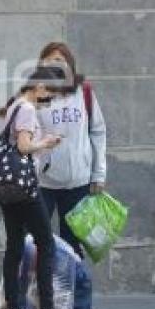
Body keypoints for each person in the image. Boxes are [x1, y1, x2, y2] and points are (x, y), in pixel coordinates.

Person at [0, 66, 83, 309]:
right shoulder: (27, 108)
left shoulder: (13, 106)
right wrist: (45, 143)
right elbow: (23, 146)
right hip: (24, 188)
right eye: (50, 93)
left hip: (7, 187)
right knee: (45, 242)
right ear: (40, 87)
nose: (50, 99)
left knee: (14, 246)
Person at [37, 42, 107, 259]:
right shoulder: (35, 93)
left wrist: (98, 173)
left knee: (72, 247)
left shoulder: (84, 92)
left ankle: (72, 291)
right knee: (37, 242)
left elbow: (97, 131)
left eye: (60, 60)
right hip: (42, 182)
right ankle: (42, 290)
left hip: (78, 182)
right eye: (49, 61)